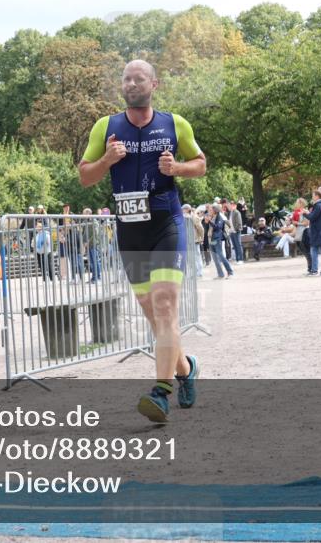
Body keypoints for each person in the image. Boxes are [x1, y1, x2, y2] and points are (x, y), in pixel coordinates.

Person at [78, 59, 206, 423]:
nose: (131, 84)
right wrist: (107, 159)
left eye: (139, 79)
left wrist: (177, 169)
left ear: (154, 84)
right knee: (155, 317)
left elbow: (200, 163)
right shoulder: (106, 127)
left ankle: (161, 392)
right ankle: (185, 368)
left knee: (165, 308)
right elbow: (85, 177)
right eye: (126, 79)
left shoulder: (173, 123)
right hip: (129, 229)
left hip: (166, 223)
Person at [207, 204, 234, 279]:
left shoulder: (220, 216)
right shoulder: (213, 217)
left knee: (220, 256)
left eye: (211, 210)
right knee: (215, 257)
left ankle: (230, 272)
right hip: (212, 239)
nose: (210, 211)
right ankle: (220, 274)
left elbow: (218, 227)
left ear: (215, 210)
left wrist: (209, 222)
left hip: (217, 239)